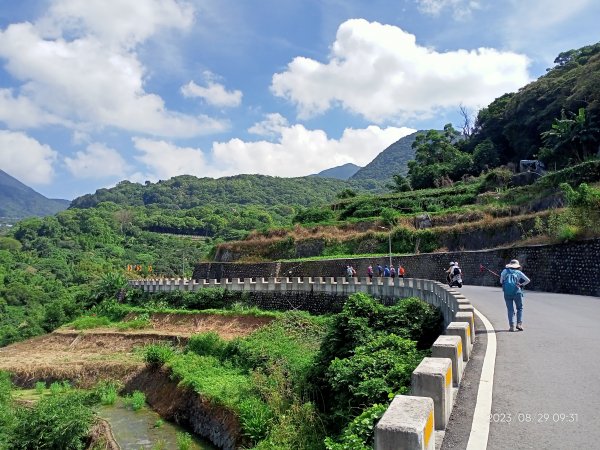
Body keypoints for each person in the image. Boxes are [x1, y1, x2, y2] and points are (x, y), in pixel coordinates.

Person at [500, 259, 531, 332]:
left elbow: (501, 281)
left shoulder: (504, 271)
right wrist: (521, 284)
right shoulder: (518, 272)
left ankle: (511, 326)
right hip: (517, 292)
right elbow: (528, 280)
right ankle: (519, 324)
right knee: (519, 308)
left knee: (510, 309)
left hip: (507, 293)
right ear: (517, 266)